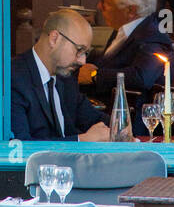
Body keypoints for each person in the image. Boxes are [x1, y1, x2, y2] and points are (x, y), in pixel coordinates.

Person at [78, 0, 174, 122]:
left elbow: (141, 76)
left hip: (129, 121)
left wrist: (94, 75)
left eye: (106, 2)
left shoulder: (153, 36)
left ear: (131, 10)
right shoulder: (123, 31)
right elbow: (106, 63)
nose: (99, 7)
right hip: (105, 112)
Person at [11, 7, 110, 142]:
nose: (83, 61)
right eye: (79, 50)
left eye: (86, 53)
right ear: (54, 38)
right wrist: (82, 140)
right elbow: (21, 145)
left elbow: (94, 118)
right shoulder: (15, 78)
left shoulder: (65, 78)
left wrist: (121, 127)